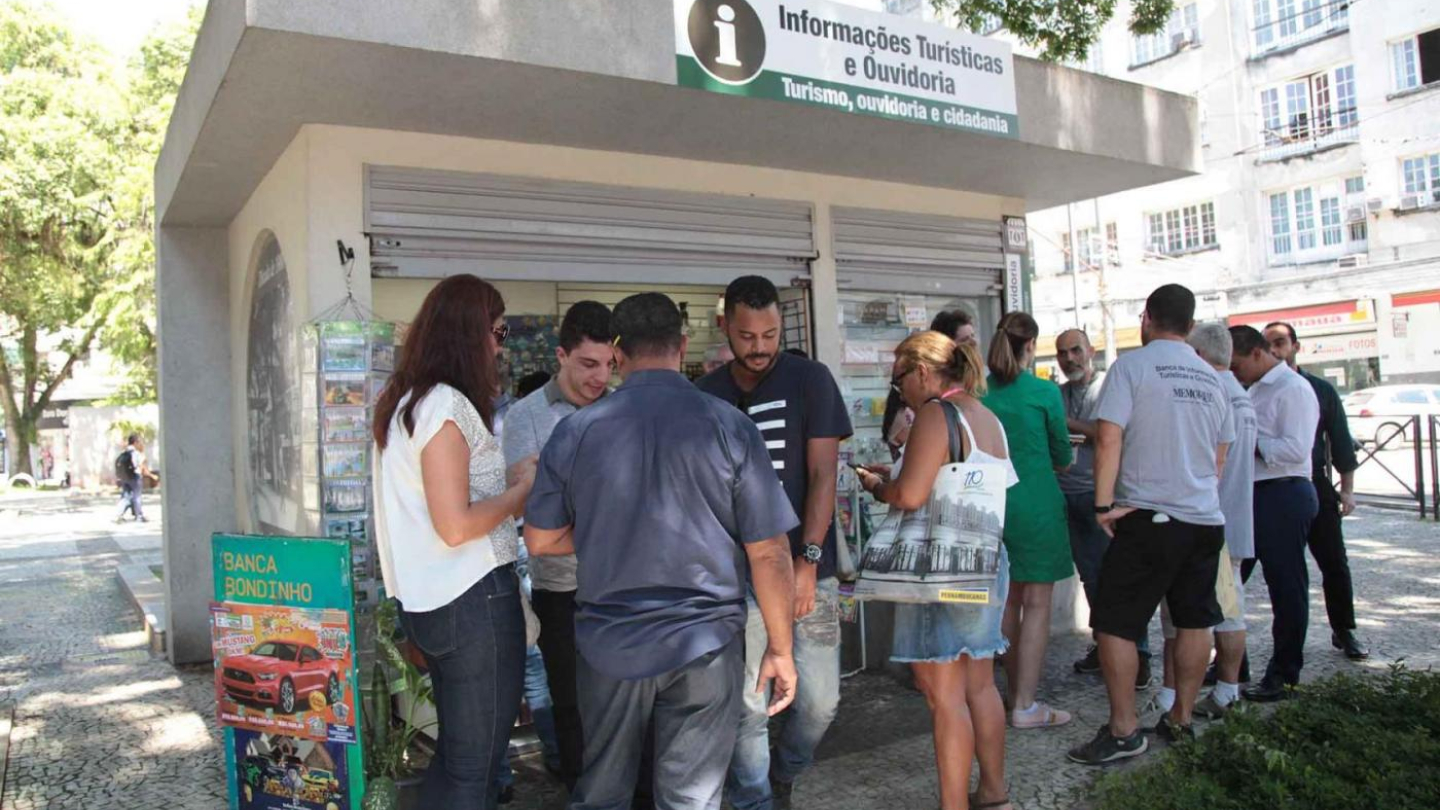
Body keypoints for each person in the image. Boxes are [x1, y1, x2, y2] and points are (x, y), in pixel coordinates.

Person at [524, 292, 799, 810]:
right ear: (683, 344)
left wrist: (613, 532)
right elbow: (769, 552)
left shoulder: (577, 430)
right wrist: (780, 650)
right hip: (706, 642)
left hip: (609, 640)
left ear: (618, 352)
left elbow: (539, 540)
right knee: (691, 797)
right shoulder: (731, 426)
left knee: (602, 791)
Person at [371, 274, 535, 808]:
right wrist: (522, 491)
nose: (499, 343)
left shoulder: (406, 404)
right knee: (476, 765)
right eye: (498, 330)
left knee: (461, 759)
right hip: (472, 601)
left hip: (436, 602)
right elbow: (456, 525)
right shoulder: (442, 407)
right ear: (472, 334)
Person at [696, 276, 852, 810]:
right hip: (733, 577)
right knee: (747, 706)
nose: (760, 346)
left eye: (769, 333)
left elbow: (823, 475)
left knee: (820, 703)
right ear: (725, 328)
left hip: (808, 567)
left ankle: (786, 770)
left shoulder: (811, 379)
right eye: (747, 335)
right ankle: (756, 797)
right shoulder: (706, 395)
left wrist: (807, 561)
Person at [1068, 284, 1232, 764]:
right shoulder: (1211, 377)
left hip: (1149, 516)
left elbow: (1108, 439)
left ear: (1146, 317)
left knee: (1115, 624)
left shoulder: (1133, 367)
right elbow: (1219, 458)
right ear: (1189, 323)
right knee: (1194, 618)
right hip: (1204, 518)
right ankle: (1180, 720)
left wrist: (1102, 507)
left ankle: (1123, 731)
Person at [856, 332, 1017, 810]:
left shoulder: (934, 413)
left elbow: (909, 496)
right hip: (984, 562)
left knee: (943, 696)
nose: (897, 391)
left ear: (922, 372)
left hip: (940, 569)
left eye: (898, 379)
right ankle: (993, 792)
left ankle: (953, 805)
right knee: (980, 685)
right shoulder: (985, 416)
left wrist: (876, 486)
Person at [501, 301, 617, 795]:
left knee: (623, 700)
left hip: (620, 580)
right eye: (589, 364)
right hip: (560, 583)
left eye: (610, 364)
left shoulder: (621, 405)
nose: (600, 377)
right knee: (569, 703)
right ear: (562, 355)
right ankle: (581, 792)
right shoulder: (525, 416)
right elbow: (523, 504)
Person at [1156, 322, 1256, 720]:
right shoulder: (1239, 395)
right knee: (1229, 609)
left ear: (1197, 356)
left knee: (1189, 616)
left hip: (1206, 520)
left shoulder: (1210, 393)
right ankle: (1226, 690)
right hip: (1231, 517)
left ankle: (1180, 697)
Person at [981, 312, 1074, 729]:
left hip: (991, 508)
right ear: (1031, 346)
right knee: (1036, 604)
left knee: (1006, 602)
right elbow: (1063, 457)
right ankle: (1025, 704)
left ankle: (1005, 693)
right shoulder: (1044, 392)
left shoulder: (978, 393)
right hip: (1037, 505)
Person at [1263, 322, 1367, 661]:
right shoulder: (1256, 388)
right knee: (1271, 569)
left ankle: (1344, 628)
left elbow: (1340, 440)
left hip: (1314, 482)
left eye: (1280, 342)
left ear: (1295, 346)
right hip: (1271, 487)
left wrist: (1347, 490)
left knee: (1334, 561)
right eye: (1268, 344)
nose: (1274, 349)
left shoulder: (1319, 389)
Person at [1055, 329, 1152, 687]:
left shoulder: (1110, 386)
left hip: (1103, 499)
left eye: (1076, 350)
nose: (1070, 359)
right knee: (1092, 580)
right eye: (1063, 353)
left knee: (1118, 581)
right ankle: (1105, 646)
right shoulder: (1058, 393)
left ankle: (1139, 655)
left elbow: (1105, 432)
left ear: (1091, 351)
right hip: (1067, 497)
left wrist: (1061, 422)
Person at [1229, 325, 1320, 703]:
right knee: (1227, 581)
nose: (1234, 373)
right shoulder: (1250, 387)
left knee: (1286, 587)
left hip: (1283, 492)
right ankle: (1233, 665)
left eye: (1236, 365)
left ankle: (1284, 674)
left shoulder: (1293, 388)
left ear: (1255, 353)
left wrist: (1248, 442)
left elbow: (1296, 449)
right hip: (1250, 493)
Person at [114, 433, 159, 523]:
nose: (141, 443)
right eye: (139, 442)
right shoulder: (137, 454)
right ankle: (139, 516)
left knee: (126, 497)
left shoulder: (124, 452)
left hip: (125, 477)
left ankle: (119, 515)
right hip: (135, 477)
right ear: (135, 442)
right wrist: (152, 476)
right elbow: (142, 469)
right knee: (137, 497)